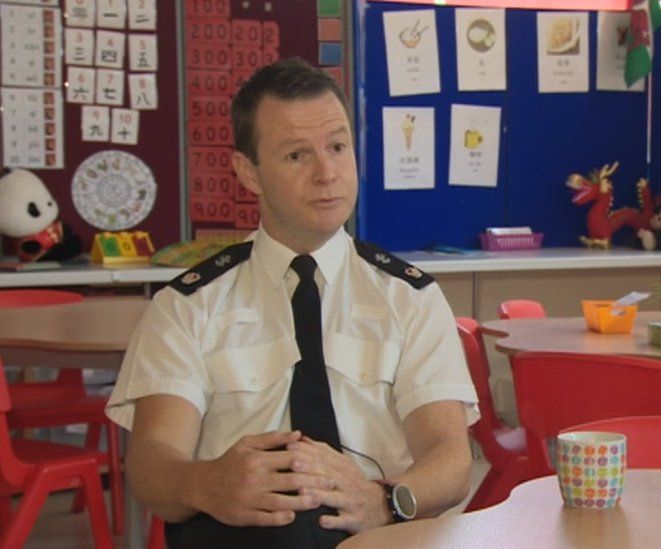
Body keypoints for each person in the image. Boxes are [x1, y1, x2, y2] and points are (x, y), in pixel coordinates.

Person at [106, 58, 479, 548]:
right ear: (249, 172)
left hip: (377, 529)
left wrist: (385, 500)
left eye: (338, 147)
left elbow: (450, 456)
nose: (327, 173)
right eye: (297, 156)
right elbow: (152, 462)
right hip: (239, 532)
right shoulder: (189, 305)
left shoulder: (409, 298)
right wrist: (208, 483)